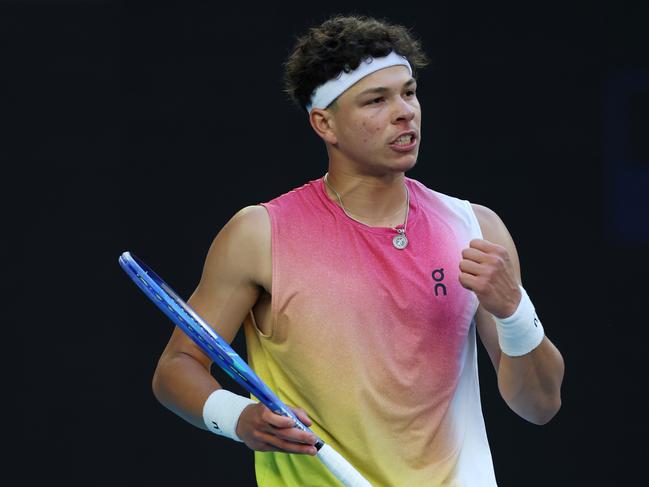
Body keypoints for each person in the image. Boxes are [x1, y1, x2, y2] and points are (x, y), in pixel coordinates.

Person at [151, 15, 565, 486]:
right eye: (377, 100)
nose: (405, 111)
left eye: (409, 92)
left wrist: (513, 311)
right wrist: (240, 417)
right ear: (325, 122)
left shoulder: (476, 229)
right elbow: (176, 368)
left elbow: (540, 406)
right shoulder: (258, 235)